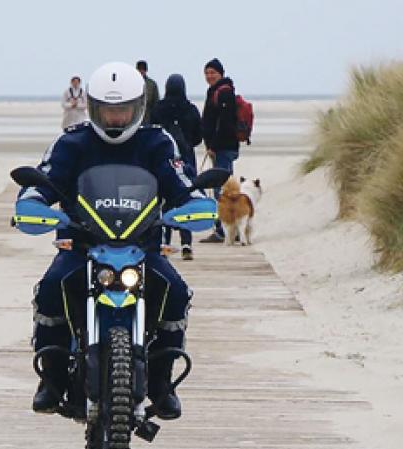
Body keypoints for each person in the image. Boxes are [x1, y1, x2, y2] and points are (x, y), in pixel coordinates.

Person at [18, 61, 207, 420]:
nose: (115, 118)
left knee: (176, 292)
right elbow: (45, 179)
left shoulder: (156, 141)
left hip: (142, 247)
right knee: (51, 288)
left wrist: (195, 203)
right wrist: (32, 201)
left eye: (123, 110)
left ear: (139, 107)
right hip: (81, 246)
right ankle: (51, 380)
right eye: (108, 109)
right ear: (93, 107)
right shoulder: (72, 141)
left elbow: (179, 182)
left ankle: (162, 382)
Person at [151, 74, 202, 260]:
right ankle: (186, 243)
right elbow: (198, 137)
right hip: (186, 158)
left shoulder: (159, 108)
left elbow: (151, 131)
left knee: (163, 201)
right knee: (185, 198)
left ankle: (164, 241)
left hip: (163, 158)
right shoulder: (190, 109)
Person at [199, 58, 239, 243]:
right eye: (207, 73)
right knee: (224, 189)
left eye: (213, 72)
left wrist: (213, 145)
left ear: (221, 73)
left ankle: (224, 230)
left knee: (222, 191)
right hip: (220, 147)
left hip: (223, 148)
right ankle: (229, 229)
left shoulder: (223, 92)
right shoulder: (216, 91)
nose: (209, 76)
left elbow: (224, 123)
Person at [136, 60, 159, 125]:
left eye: (143, 69)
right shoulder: (131, 83)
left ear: (146, 70)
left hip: (148, 119)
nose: (141, 71)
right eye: (139, 69)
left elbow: (156, 103)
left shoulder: (152, 84)